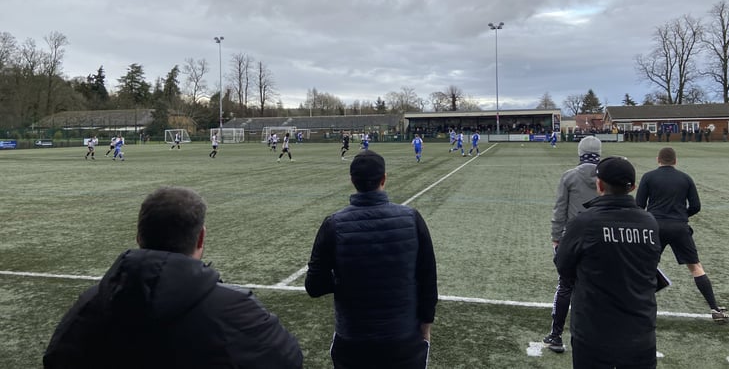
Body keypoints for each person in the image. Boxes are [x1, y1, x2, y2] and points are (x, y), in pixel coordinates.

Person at [43, 186, 303, 369]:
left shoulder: (90, 304)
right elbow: (289, 359)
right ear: (201, 237)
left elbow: (56, 358)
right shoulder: (237, 310)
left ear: (139, 236)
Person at [305, 151, 437, 369]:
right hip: (404, 339)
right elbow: (428, 278)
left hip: (353, 342)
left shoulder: (333, 225)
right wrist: (426, 326)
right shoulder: (413, 218)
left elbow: (314, 286)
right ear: (384, 179)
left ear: (352, 180)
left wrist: (343, 278)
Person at [555, 156, 662, 369]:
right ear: (633, 187)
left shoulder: (585, 222)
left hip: (594, 331)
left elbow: (563, 265)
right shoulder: (649, 222)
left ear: (600, 184)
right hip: (640, 329)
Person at [635, 147, 729, 322]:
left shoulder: (648, 177)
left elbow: (639, 205)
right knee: (695, 267)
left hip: (655, 226)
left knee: (647, 267)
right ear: (675, 161)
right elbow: (696, 206)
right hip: (679, 227)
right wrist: (680, 216)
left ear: (658, 160)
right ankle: (715, 309)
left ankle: (637, 307)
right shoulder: (685, 178)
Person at [542, 136, 601, 353]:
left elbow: (560, 210)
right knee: (598, 287)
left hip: (572, 239)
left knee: (565, 286)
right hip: (600, 239)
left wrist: (556, 238)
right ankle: (594, 336)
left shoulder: (569, 177)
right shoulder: (606, 176)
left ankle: (556, 335)